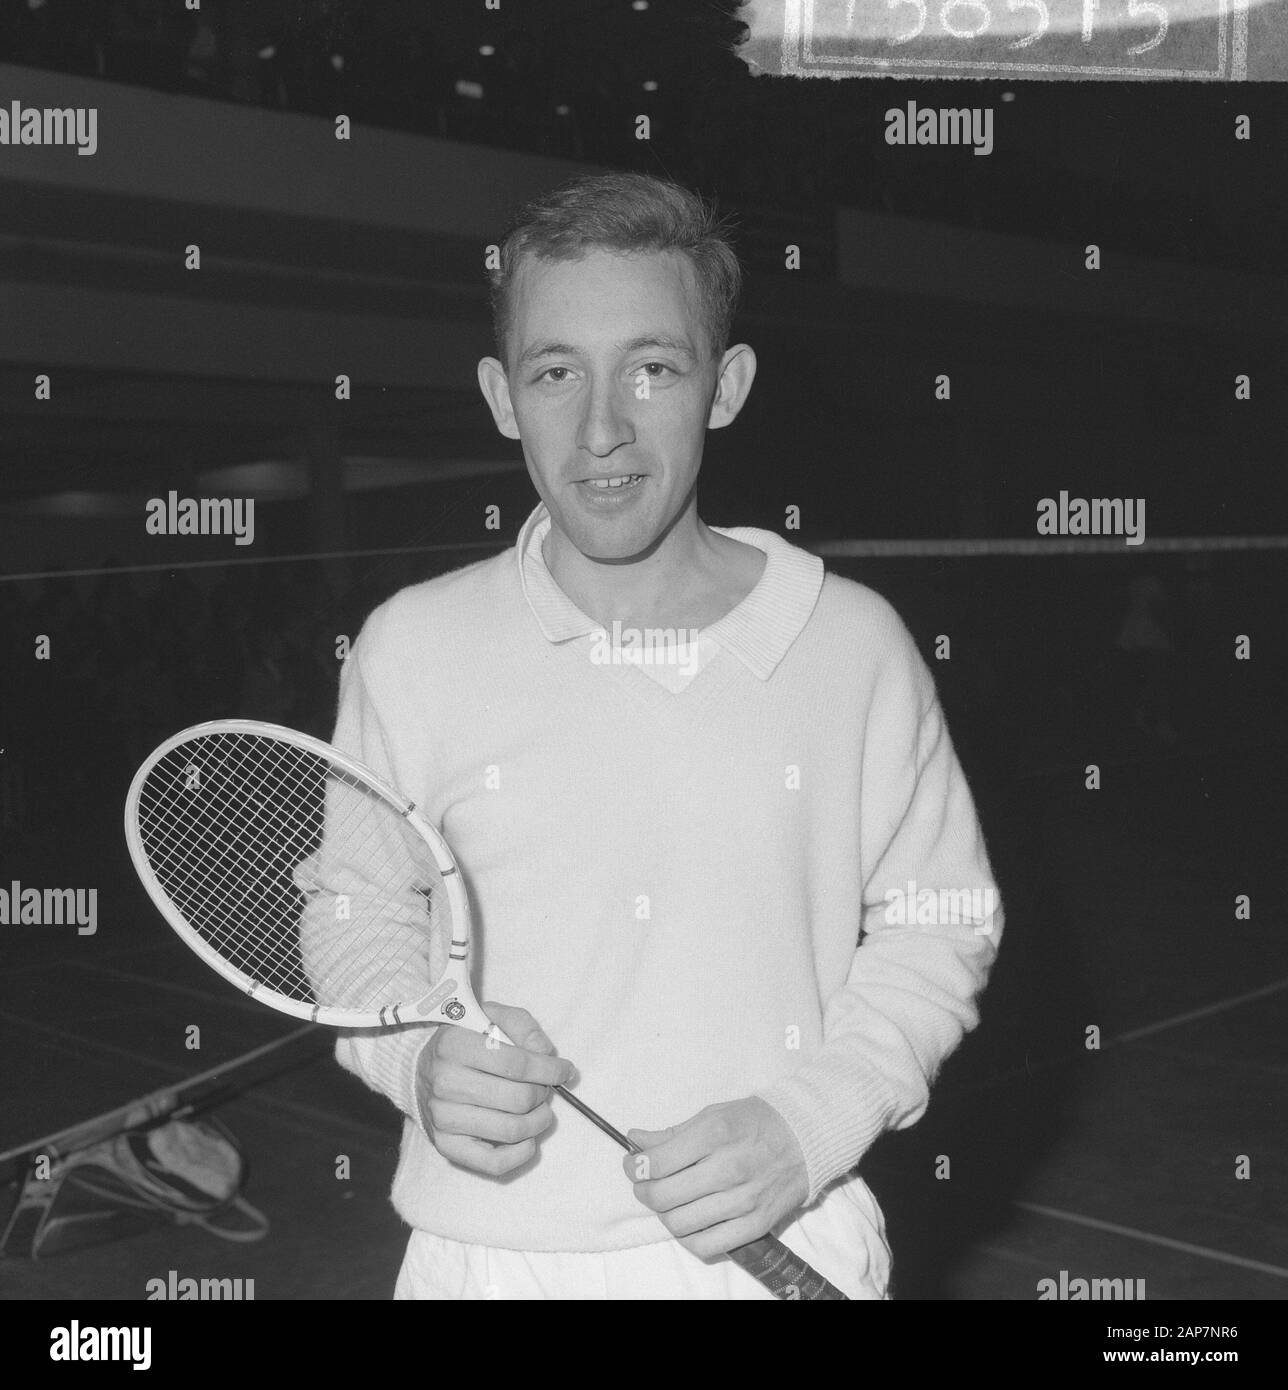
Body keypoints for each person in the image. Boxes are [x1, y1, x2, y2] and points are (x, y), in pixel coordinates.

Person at [328, 172, 1003, 1300]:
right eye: (556, 373)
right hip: (482, 1259)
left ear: (724, 385)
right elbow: (354, 910)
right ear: (502, 395)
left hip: (777, 1239)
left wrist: (810, 1123)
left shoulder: (853, 645)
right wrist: (416, 1056)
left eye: (652, 367)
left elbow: (939, 926)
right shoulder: (410, 646)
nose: (602, 429)